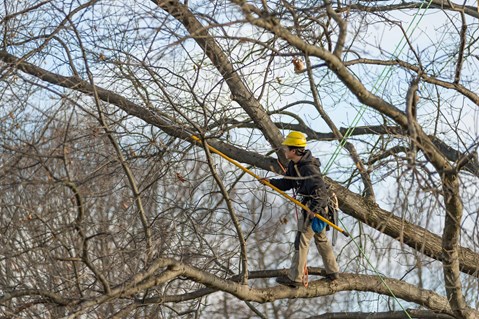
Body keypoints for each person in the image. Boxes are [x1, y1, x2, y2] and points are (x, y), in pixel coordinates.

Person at [261, 131, 339, 287]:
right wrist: (270, 182)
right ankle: (333, 271)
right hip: (313, 207)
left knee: (302, 241)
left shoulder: (309, 168)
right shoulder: (294, 165)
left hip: (316, 207)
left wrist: (314, 209)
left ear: (294, 150)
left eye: (286, 148)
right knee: (321, 239)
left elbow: (322, 193)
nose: (284, 150)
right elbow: (287, 183)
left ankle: (295, 277)